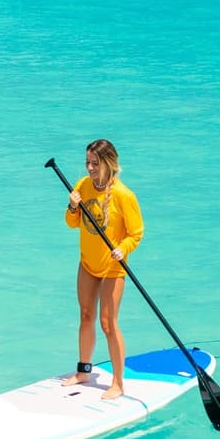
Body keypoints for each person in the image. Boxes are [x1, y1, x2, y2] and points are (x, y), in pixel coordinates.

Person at [63, 139, 143, 399]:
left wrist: (124, 248)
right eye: (87, 162)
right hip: (88, 262)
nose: (89, 168)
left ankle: (118, 383)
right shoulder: (83, 186)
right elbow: (72, 224)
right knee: (86, 315)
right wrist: (73, 206)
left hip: (112, 268)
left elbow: (136, 233)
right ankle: (84, 371)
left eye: (95, 163)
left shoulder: (124, 195)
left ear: (109, 163)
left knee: (108, 323)